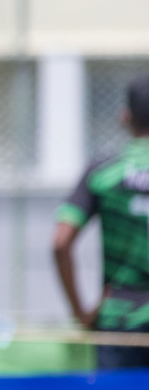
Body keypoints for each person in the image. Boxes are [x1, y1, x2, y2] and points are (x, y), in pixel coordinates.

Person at [54, 74, 149, 370]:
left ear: (126, 117)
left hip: (118, 321)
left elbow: (60, 243)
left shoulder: (104, 171)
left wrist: (80, 313)